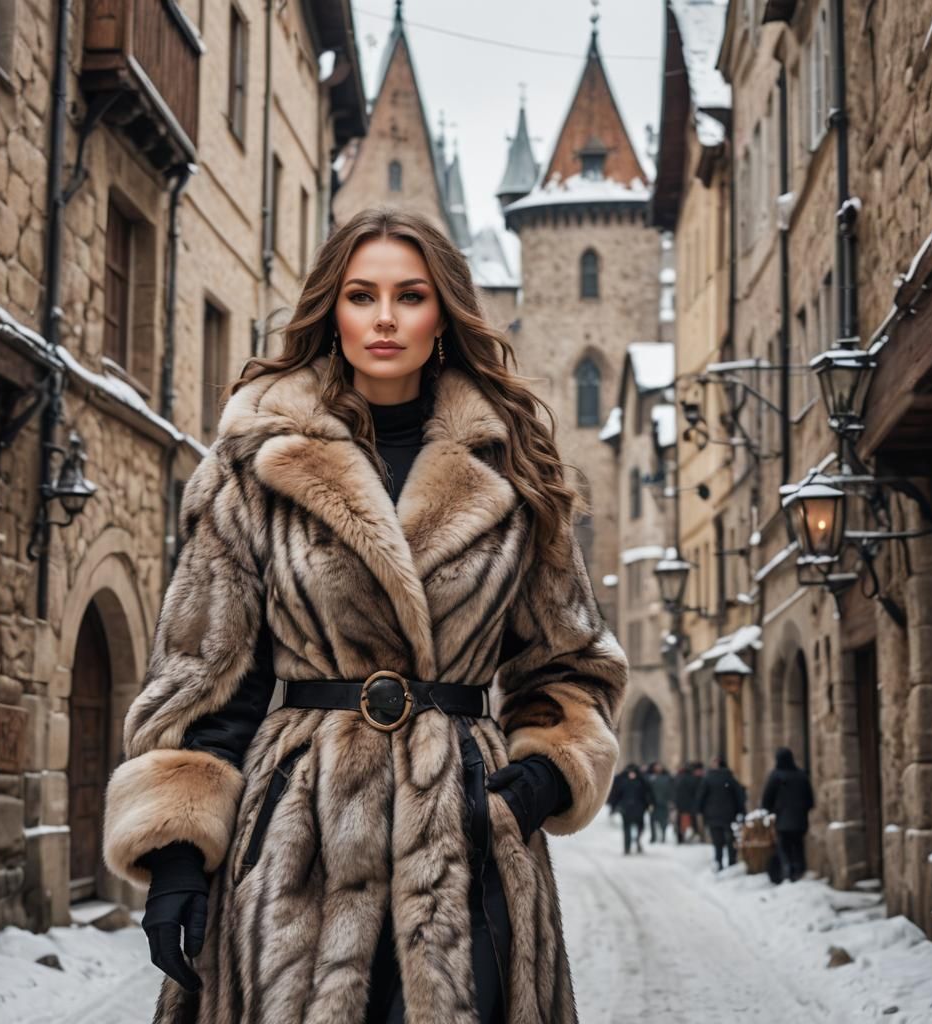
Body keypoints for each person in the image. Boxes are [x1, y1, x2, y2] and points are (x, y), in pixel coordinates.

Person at [100, 208, 629, 1024]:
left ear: (442, 315)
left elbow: (571, 661)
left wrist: (540, 778)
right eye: (361, 295)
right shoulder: (256, 460)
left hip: (469, 842)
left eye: (410, 296)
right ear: (332, 310)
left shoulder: (512, 464)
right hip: (298, 840)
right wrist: (176, 855)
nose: (385, 318)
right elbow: (206, 676)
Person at [761, 747, 815, 882]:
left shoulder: (776, 776)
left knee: (784, 846)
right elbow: (810, 799)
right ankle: (799, 870)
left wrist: (771, 810)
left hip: (783, 820)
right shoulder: (801, 775)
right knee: (798, 845)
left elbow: (767, 798)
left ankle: (788, 869)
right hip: (800, 820)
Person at [696, 755, 746, 870]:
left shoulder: (708, 778)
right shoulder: (729, 778)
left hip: (712, 814)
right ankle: (731, 861)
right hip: (728, 814)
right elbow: (739, 795)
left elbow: (701, 796)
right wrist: (741, 811)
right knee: (730, 838)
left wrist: (699, 809)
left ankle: (719, 861)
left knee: (717, 840)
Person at [614, 764, 654, 854]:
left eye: (633, 772)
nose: (632, 774)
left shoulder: (641, 782)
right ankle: (627, 847)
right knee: (626, 829)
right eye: (630, 772)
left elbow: (647, 794)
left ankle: (638, 842)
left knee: (641, 827)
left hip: (639, 808)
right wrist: (616, 806)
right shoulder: (623, 782)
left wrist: (649, 804)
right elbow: (617, 795)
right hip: (626, 809)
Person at [648, 762, 675, 843]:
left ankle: (663, 835)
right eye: (656, 767)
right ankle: (653, 837)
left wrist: (671, 801)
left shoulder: (667, 777)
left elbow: (671, 789)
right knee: (652, 820)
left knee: (663, 821)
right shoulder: (650, 777)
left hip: (664, 802)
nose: (658, 768)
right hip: (653, 803)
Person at [674, 761, 699, 843]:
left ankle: (680, 837)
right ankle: (694, 834)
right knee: (692, 821)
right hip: (691, 804)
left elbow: (675, 791)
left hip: (681, 804)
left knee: (681, 822)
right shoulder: (693, 779)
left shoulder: (678, 778)